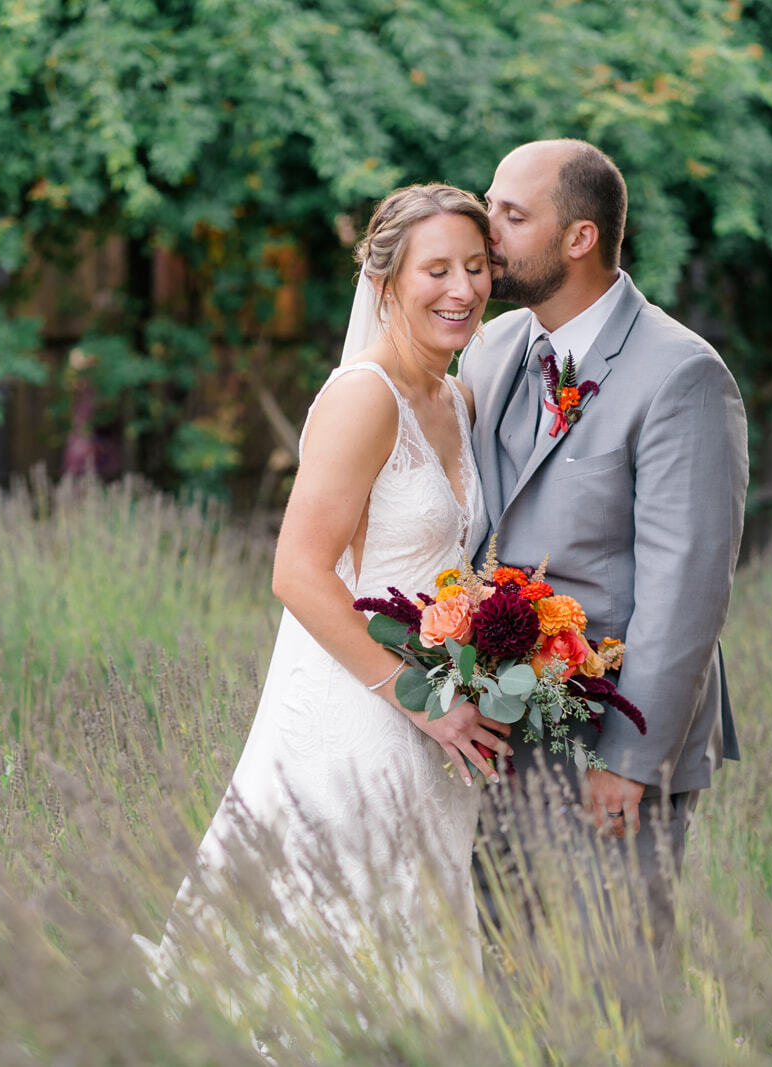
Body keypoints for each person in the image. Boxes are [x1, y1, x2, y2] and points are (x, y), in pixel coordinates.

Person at [136, 183, 513, 982]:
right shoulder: (362, 398)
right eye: (437, 269)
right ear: (384, 285)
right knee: (330, 951)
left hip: (436, 735)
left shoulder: (457, 396)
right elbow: (298, 573)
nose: (463, 289)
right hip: (365, 714)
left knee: (415, 953)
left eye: (476, 267)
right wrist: (428, 699)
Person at [456, 140, 748, 939]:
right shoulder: (491, 348)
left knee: (615, 983)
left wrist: (628, 759)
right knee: (502, 973)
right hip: (496, 731)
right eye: (491, 207)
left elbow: (687, 587)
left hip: (608, 742)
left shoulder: (681, 373)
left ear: (579, 237)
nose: (489, 234)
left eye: (512, 216)